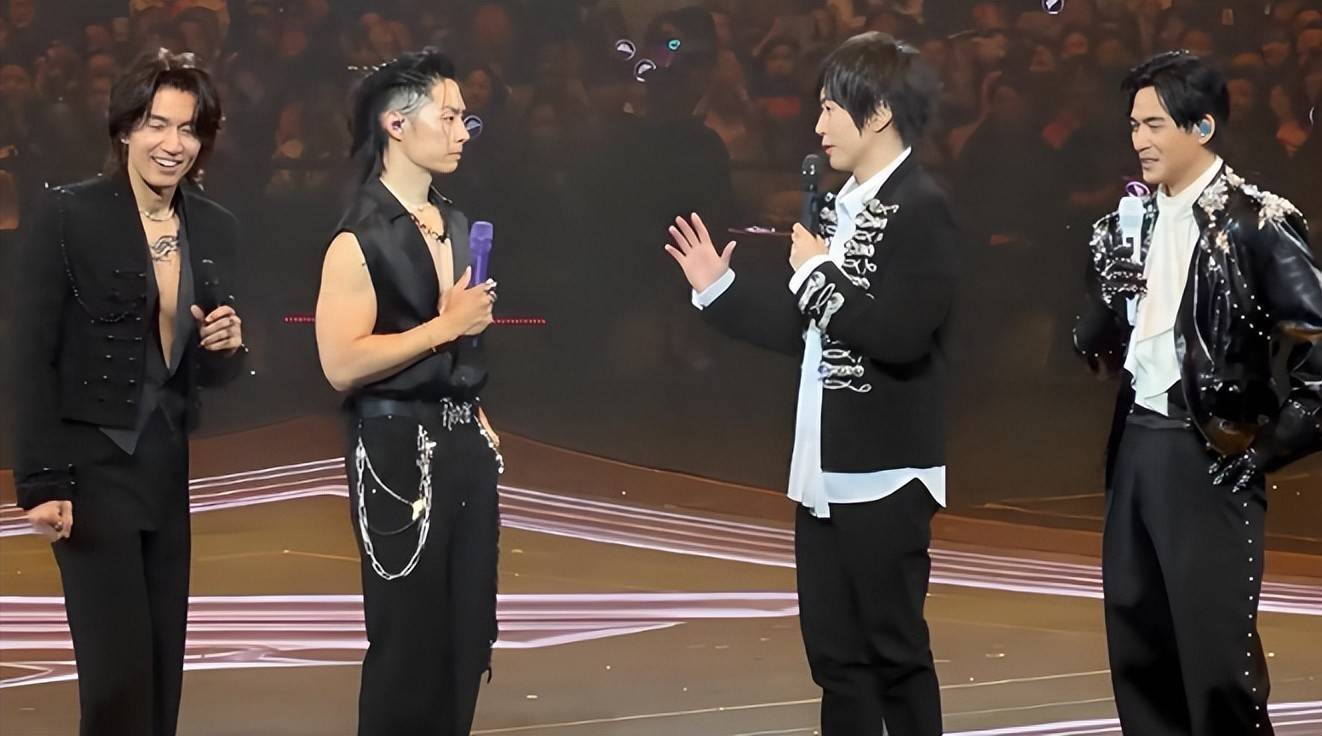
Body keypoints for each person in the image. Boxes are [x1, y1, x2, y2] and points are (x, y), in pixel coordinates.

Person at [665, 32, 957, 736]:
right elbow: (810, 330)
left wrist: (820, 274)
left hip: (885, 472)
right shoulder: (838, 206)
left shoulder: (924, 207)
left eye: (830, 108)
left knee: (894, 655)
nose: (818, 124)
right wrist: (720, 290)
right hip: (822, 469)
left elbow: (900, 335)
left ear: (878, 112)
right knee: (836, 661)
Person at [1074, 50, 1322, 736]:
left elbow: (1318, 352)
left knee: (1216, 668)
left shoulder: (1257, 223)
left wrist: (1262, 451)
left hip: (1209, 456)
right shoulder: (1124, 226)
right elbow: (1092, 349)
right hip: (1135, 449)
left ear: (1202, 127)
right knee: (1140, 653)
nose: (1139, 140)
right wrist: (1108, 291)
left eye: (1154, 124)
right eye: (1134, 125)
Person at [7, 48, 247, 736]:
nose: (172, 144)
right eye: (156, 124)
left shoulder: (214, 227)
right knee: (117, 675)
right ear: (124, 129)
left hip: (165, 467)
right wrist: (42, 480)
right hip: (91, 467)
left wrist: (228, 346)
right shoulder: (68, 214)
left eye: (188, 129)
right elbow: (29, 355)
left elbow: (210, 369)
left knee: (162, 668)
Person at [313, 48, 502, 736]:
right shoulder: (360, 236)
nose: (462, 132)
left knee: (467, 630)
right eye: (447, 117)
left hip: (461, 443)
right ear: (396, 124)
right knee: (409, 639)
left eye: (464, 118)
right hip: (395, 449)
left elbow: (460, 345)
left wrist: (473, 407)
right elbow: (340, 362)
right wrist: (442, 328)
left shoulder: (457, 222)